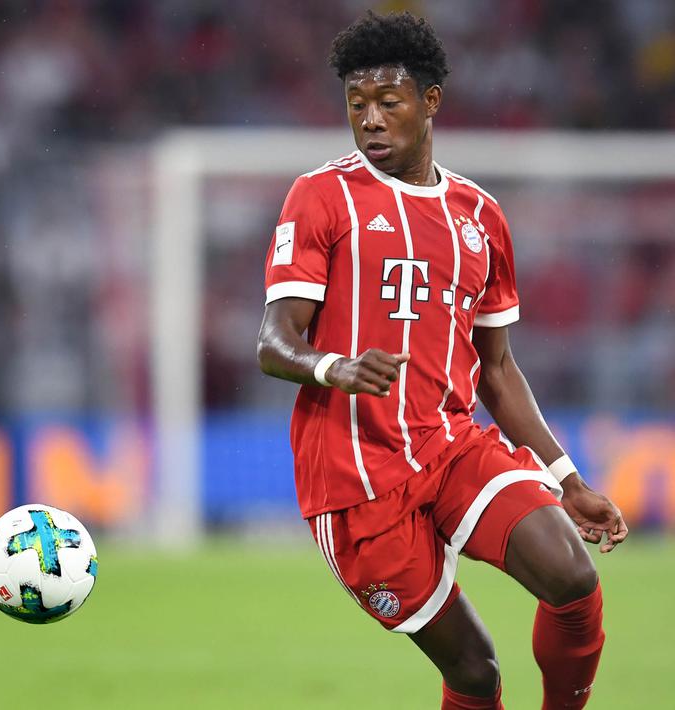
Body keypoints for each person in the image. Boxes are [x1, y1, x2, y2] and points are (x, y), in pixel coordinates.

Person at [256, 12, 627, 710]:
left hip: (449, 446)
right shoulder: (319, 197)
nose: (369, 120)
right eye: (355, 105)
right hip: (355, 479)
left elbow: (497, 370)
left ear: (429, 102)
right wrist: (332, 367)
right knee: (475, 673)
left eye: (386, 103)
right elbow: (273, 341)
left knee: (572, 578)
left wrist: (567, 478)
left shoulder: (479, 216)